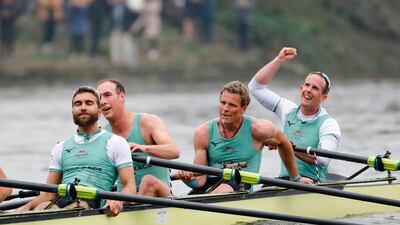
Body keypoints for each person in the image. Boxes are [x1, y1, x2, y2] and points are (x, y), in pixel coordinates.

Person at [177, 81, 312, 194]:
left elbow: (283, 142)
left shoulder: (259, 129)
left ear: (243, 109)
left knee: (219, 192)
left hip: (241, 182)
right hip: (211, 185)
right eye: (223, 103)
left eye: (231, 105)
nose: (225, 109)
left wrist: (295, 179)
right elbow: (200, 181)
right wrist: (188, 180)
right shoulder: (203, 132)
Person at [18, 86, 135, 217]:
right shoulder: (60, 147)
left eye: (89, 103)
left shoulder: (115, 142)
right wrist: (21, 209)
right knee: (43, 206)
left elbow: (130, 187)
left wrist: (117, 200)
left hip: (93, 201)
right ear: (72, 112)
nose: (83, 107)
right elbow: (48, 193)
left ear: (100, 111)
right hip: (61, 198)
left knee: (76, 207)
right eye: (78, 104)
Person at [248, 47, 341, 183]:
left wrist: (286, 146)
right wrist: (279, 60)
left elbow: (322, 159)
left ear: (323, 97)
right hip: (287, 181)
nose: (308, 90)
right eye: (307, 85)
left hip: (312, 184)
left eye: (315, 88)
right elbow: (255, 87)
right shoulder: (287, 110)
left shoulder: (329, 124)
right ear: (301, 88)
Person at [97, 79, 180, 197]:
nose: (102, 102)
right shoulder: (103, 136)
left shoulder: (149, 122)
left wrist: (144, 148)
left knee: (148, 181)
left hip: (160, 196)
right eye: (99, 98)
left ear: (122, 96)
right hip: (126, 200)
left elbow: (174, 151)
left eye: (107, 95)